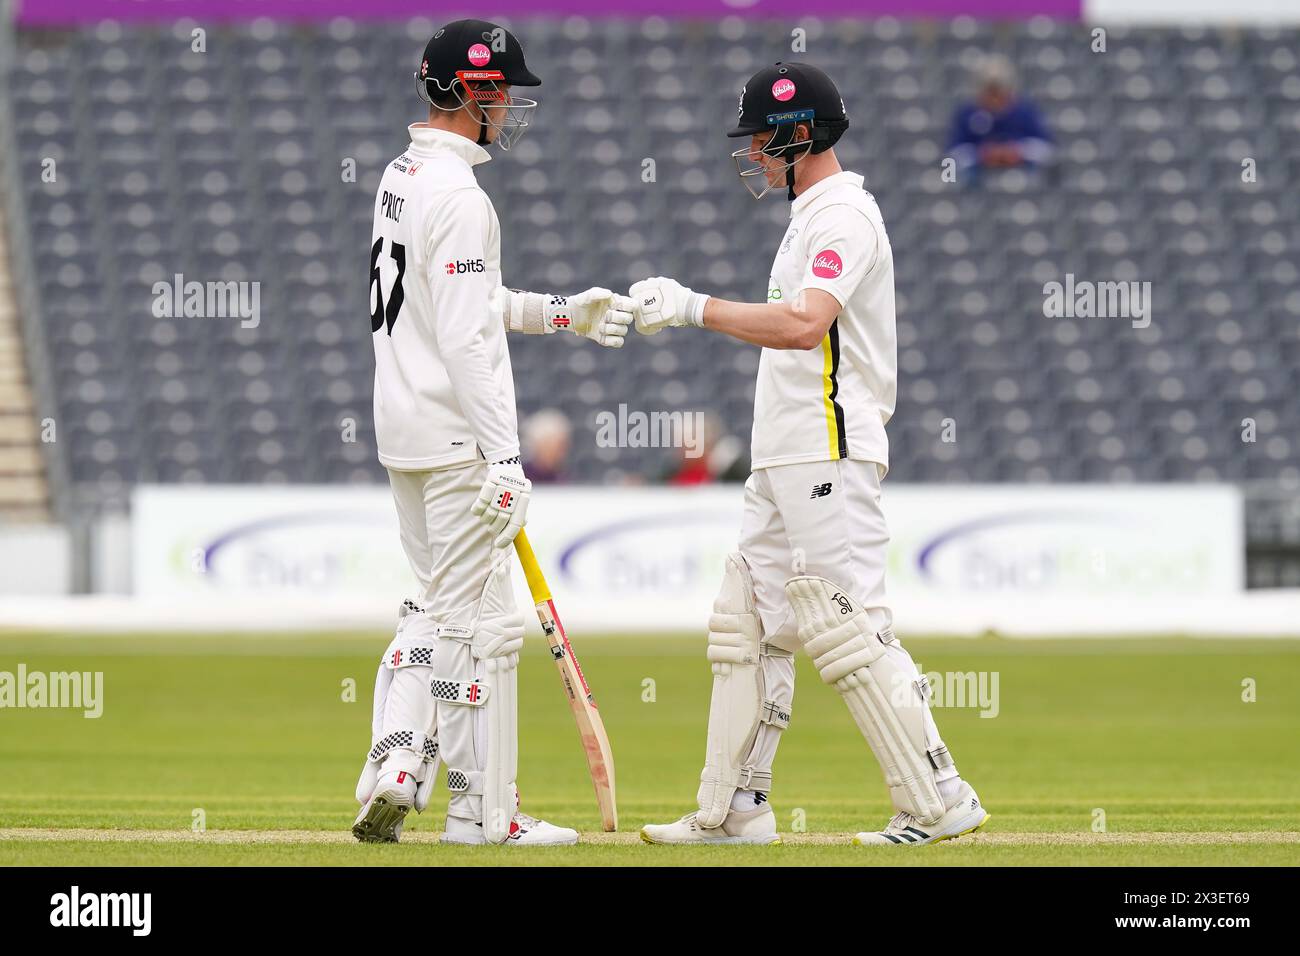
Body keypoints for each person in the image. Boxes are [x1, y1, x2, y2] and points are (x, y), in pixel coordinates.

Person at [630, 62, 988, 846]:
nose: (752, 155)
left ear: (799, 135)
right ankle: (736, 809)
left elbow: (804, 323)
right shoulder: (808, 217)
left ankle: (939, 798)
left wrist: (692, 307)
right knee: (749, 626)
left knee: (849, 625)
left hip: (828, 447)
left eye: (760, 140)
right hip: (784, 454)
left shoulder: (845, 216)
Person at [353, 19, 633, 846]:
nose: (511, 105)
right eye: (501, 90)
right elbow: (471, 340)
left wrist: (559, 314)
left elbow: (462, 306)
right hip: (453, 441)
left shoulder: (400, 176)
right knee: (484, 631)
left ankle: (399, 763)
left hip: (403, 433)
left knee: (435, 611)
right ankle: (483, 815)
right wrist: (505, 457)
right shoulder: (462, 198)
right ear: (468, 92)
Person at [947, 55, 1052, 179]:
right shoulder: (967, 114)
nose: (995, 97)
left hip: (1023, 177)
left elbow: (1047, 150)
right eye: (990, 91)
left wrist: (1018, 151)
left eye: (999, 90)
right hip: (978, 180)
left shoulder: (1025, 113)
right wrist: (981, 154)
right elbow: (950, 158)